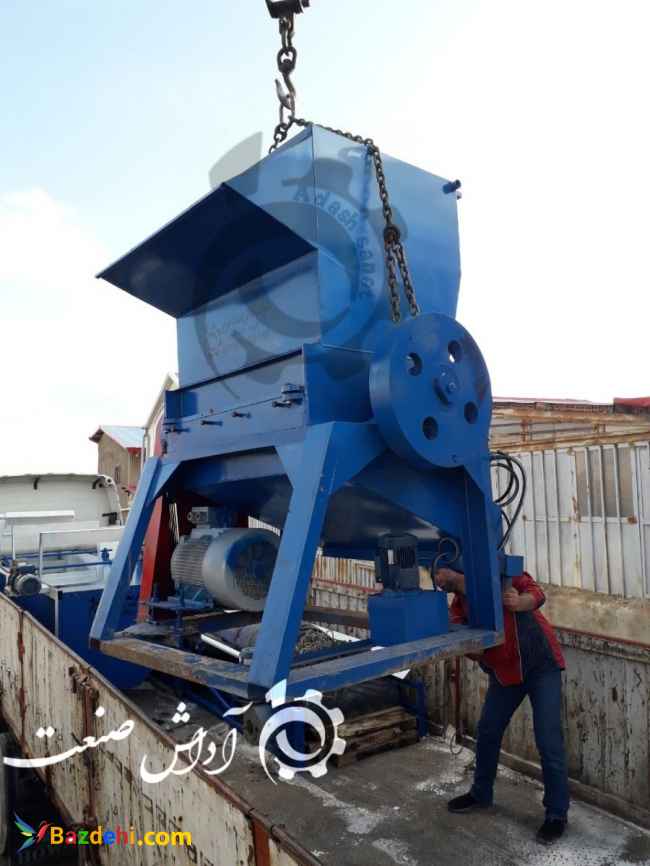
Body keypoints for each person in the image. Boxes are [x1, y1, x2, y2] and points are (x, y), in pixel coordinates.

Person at [435, 566, 569, 846]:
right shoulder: (458, 608)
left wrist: (520, 602)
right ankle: (481, 794)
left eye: (442, 574)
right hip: (506, 674)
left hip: (541, 667)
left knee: (548, 740)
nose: (438, 580)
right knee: (488, 731)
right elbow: (473, 649)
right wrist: (469, 647)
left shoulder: (503, 573)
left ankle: (556, 814)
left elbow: (537, 593)